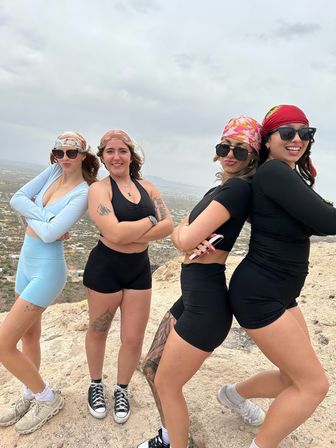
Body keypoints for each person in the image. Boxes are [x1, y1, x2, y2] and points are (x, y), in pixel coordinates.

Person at [137, 116, 264, 448]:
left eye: (240, 149)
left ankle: (177, 442)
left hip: (206, 306)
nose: (230, 154)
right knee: (151, 369)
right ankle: (171, 435)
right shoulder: (220, 187)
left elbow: (183, 236)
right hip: (193, 296)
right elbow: (186, 231)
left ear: (253, 154)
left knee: (166, 384)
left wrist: (183, 233)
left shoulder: (238, 188)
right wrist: (186, 232)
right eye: (224, 147)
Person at [217, 105, 336, 448]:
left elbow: (320, 217)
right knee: (313, 385)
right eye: (287, 132)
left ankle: (232, 395)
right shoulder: (274, 173)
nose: (297, 139)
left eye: (305, 132)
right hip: (260, 295)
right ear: (268, 140)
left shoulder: (288, 174)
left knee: (293, 376)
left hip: (280, 293)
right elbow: (328, 222)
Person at [0, 132, 99, 435]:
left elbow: (48, 234)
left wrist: (40, 220)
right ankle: (30, 394)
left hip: (47, 269)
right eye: (59, 152)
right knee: (29, 337)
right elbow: (16, 198)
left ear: (84, 155)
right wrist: (44, 217)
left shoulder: (84, 192)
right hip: (26, 262)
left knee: (3, 344)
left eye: (72, 153)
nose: (65, 158)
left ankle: (47, 397)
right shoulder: (54, 171)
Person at [83, 129, 173, 424]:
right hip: (105, 267)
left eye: (122, 151)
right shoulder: (99, 189)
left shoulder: (148, 187)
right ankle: (96, 384)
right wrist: (149, 221)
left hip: (138, 269)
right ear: (103, 157)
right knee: (98, 330)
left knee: (133, 339)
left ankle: (121, 389)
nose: (116, 156)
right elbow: (114, 233)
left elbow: (169, 225)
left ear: (131, 155)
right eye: (109, 151)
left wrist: (129, 232)